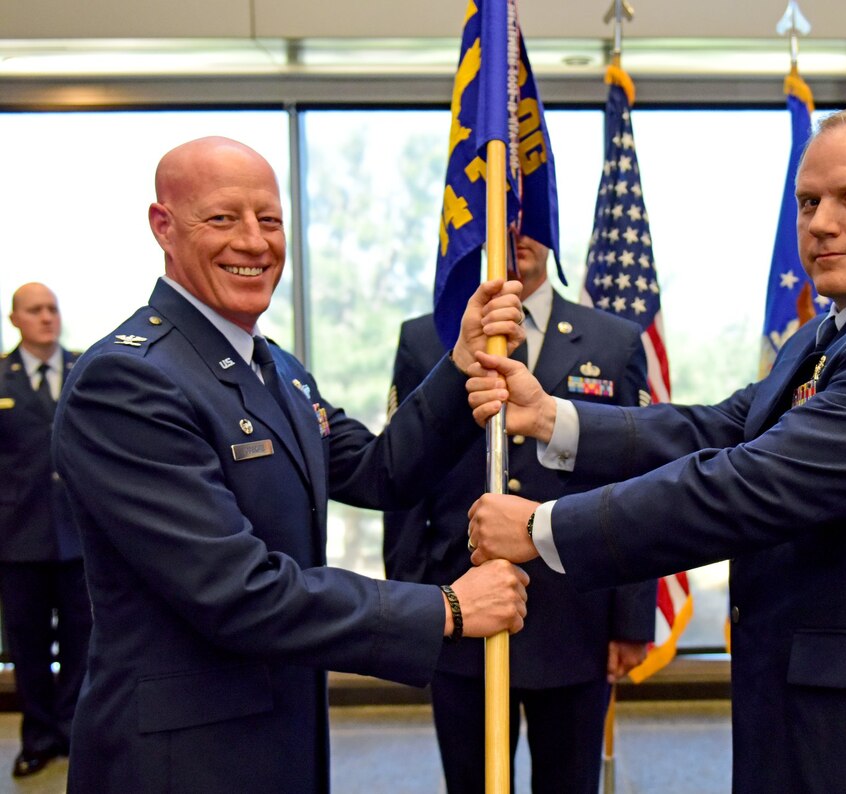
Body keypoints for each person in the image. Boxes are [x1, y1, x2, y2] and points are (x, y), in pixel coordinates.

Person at [465, 105, 846, 792]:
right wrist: (555, 416)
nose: (822, 221)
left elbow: (749, 483)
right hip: (817, 720)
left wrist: (541, 528)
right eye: (808, 201)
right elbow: (723, 428)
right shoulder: (835, 331)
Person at [51, 136, 530, 794]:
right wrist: (444, 608)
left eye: (269, 220)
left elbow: (376, 470)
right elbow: (237, 590)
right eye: (222, 219)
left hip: (280, 733)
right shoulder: (128, 381)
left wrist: (460, 364)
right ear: (163, 226)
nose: (253, 242)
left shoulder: (275, 367)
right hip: (182, 759)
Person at [383, 233, 656, 793]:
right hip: (460, 610)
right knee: (472, 784)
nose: (516, 235)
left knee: (570, 784)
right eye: (504, 218)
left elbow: (638, 478)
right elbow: (403, 477)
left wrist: (631, 619)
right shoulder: (424, 339)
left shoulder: (614, 341)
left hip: (577, 616)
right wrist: (410, 605)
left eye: (531, 220)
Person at [0, 283, 92, 778]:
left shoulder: (87, 370)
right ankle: (37, 737)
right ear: (15, 319)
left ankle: (74, 730)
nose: (46, 318)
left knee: (83, 641)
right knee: (29, 647)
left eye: (52, 309)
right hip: (18, 540)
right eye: (35, 311)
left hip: (80, 537)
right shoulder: (2, 377)